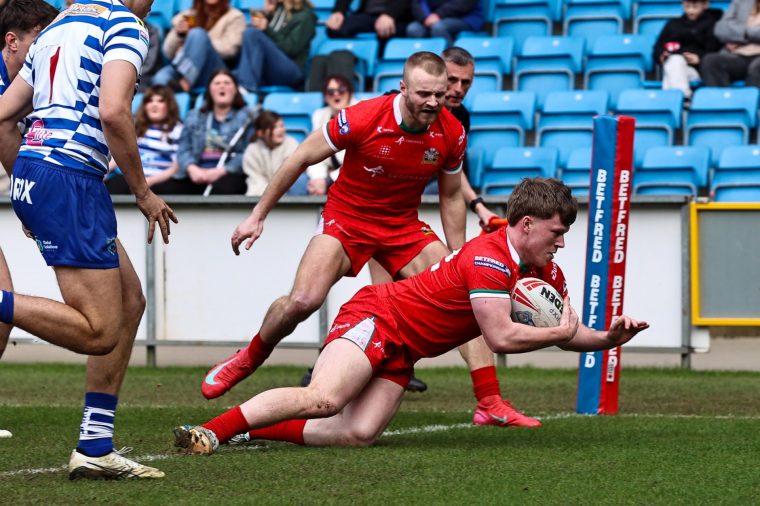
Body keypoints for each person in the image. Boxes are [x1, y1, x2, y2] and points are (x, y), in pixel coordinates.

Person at [174, 178, 650, 454]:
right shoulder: (488, 257)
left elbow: (566, 335)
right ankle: (212, 431)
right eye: (557, 231)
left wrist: (608, 338)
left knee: (357, 434)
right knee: (324, 399)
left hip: (407, 346)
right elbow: (502, 338)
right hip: (378, 317)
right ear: (526, 225)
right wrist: (561, 333)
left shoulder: (545, 269)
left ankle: (248, 428)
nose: (562, 242)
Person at [200, 52, 472, 406]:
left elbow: (452, 198)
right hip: (348, 218)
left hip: (402, 225)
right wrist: (258, 215)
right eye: (424, 94)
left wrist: (458, 255)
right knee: (303, 301)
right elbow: (300, 157)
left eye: (439, 93)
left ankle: (488, 397)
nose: (433, 102)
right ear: (403, 88)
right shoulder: (363, 116)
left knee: (461, 291)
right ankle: (251, 356)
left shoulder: (451, 130)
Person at [0, 0, 177, 479]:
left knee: (130, 299)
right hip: (71, 176)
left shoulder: (60, 23)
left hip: (42, 172)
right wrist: (142, 192)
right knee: (101, 331)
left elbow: (2, 115)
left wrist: (28, 186)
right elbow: (115, 112)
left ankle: (95, 444)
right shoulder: (124, 24)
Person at [0, 0, 60, 364]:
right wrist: (29, 206)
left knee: (3, 309)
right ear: (12, 41)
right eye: (39, 39)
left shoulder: (37, 84)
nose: (47, 48)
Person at [162, 69, 254, 195]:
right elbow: (183, 148)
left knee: (225, 189)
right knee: (164, 191)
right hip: (196, 172)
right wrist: (192, 169)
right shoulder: (194, 115)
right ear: (210, 90)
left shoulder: (248, 117)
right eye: (217, 83)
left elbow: (249, 153)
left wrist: (221, 171)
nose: (222, 86)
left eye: (227, 83)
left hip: (228, 173)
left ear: (235, 90)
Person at [106, 85, 183, 194]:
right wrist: (102, 172)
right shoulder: (135, 127)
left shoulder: (177, 130)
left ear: (169, 106)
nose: (154, 105)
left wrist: (149, 181)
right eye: (150, 101)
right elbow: (120, 156)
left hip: (160, 180)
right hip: (133, 179)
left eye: (160, 101)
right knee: (113, 185)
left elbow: (176, 167)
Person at [154, 0, 245, 92]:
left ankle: (185, 84)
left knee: (197, 34)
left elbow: (230, 50)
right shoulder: (187, 16)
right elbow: (167, 52)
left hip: (214, 71)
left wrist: (201, 41)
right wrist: (178, 35)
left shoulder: (235, 16)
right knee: (161, 78)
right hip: (182, 65)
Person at [235, 0, 316, 92]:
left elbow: (291, 49)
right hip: (271, 68)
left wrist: (267, 29)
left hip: (292, 71)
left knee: (251, 33)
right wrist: (267, 14)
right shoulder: (277, 10)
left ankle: (247, 88)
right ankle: (243, 87)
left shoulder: (305, 16)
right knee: (229, 75)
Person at [653, 0, 722, 100]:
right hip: (675, 67)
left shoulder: (713, 24)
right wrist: (662, 56)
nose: (691, 11)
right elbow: (658, 47)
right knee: (674, 61)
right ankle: (683, 98)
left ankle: (676, 101)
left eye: (695, 6)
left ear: (705, 5)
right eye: (687, 6)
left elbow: (716, 51)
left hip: (699, 72)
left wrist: (699, 58)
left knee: (672, 67)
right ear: (682, 5)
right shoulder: (673, 24)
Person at [304, 73, 358, 196]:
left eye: (341, 89)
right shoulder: (319, 115)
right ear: (325, 97)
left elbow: (356, 161)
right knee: (300, 183)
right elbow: (314, 151)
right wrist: (318, 179)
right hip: (326, 176)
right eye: (330, 91)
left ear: (349, 93)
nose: (336, 94)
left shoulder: (360, 111)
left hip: (354, 176)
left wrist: (328, 180)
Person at [700, 0, 760, 88]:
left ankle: (752, 101)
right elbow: (720, 29)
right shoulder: (740, 2)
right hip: (737, 55)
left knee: (756, 67)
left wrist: (740, 36)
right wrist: (747, 34)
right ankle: (722, 100)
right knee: (710, 61)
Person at [243, 110, 304, 196]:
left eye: (281, 126)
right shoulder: (252, 150)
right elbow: (255, 181)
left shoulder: (292, 144)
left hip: (288, 194)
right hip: (262, 196)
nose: (281, 130)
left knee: (301, 180)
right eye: (274, 127)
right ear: (260, 133)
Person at [406, 0, 484, 46]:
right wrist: (424, 18)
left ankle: (449, 63)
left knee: (439, 28)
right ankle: (422, 65)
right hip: (432, 18)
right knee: (413, 29)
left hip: (465, 18)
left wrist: (439, 15)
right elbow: (418, 3)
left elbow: (464, 3)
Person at [326, 0, 412, 41]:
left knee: (387, 33)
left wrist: (390, 14)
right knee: (334, 28)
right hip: (368, 15)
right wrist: (339, 11)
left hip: (397, 18)